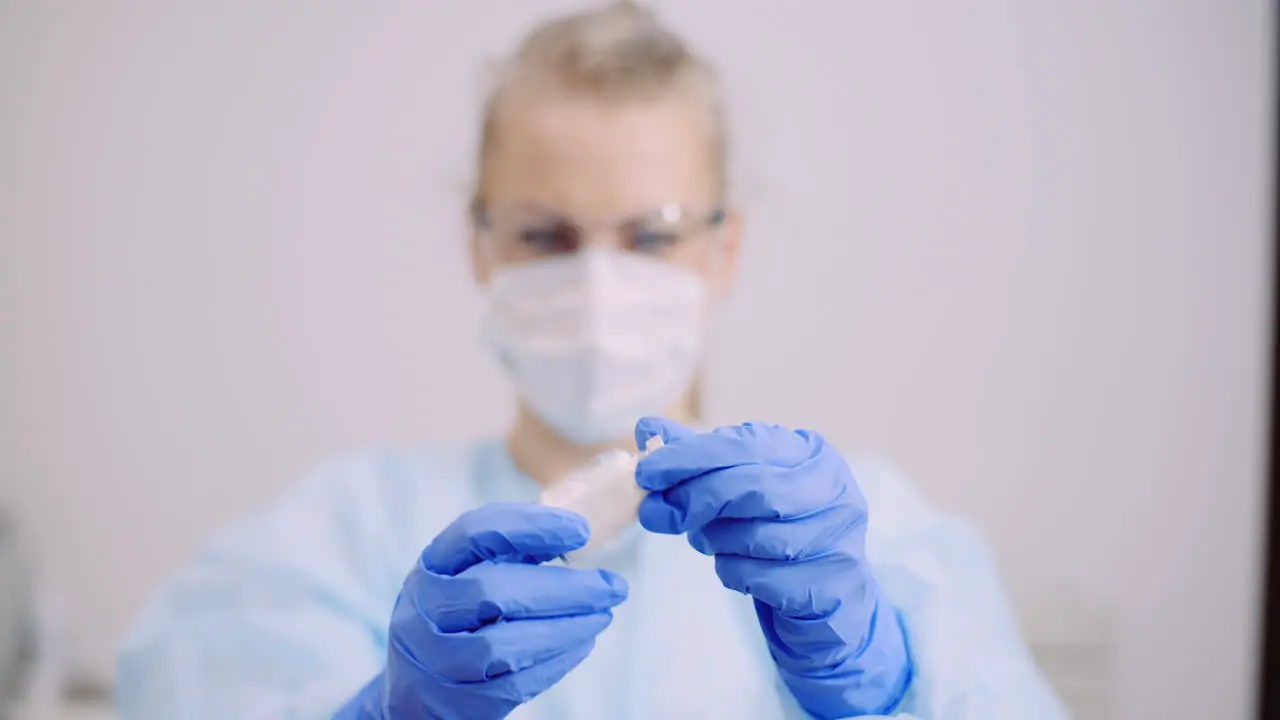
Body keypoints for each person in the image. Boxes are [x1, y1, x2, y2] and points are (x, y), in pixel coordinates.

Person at [115, 3, 1068, 719]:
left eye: (650, 238)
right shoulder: (339, 536)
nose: (601, 283)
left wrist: (884, 684)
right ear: (479, 246)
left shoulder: (872, 541)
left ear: (725, 248)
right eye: (546, 235)